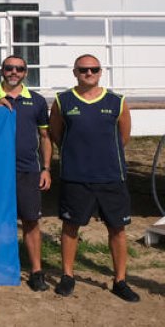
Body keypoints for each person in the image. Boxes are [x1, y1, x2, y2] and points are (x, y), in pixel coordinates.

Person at [49, 54, 138, 302]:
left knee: (117, 229)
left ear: (100, 72)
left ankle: (120, 280)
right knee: (70, 227)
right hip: (76, 177)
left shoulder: (117, 101)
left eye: (94, 69)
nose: (89, 74)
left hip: (111, 177)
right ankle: (67, 276)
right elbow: (57, 134)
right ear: (75, 72)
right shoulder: (62, 100)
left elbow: (124, 137)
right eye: (83, 70)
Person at [0, 55, 51, 291]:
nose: (14, 72)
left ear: (25, 73)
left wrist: (47, 169)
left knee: (31, 220)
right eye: (9, 68)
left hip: (28, 171)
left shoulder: (38, 101)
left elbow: (45, 137)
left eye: (19, 69)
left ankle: (36, 271)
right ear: (2, 71)